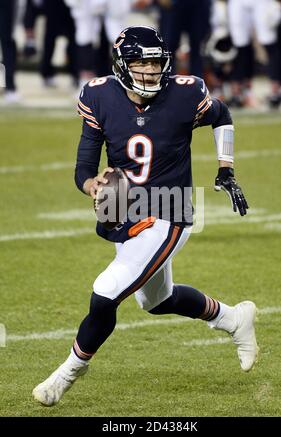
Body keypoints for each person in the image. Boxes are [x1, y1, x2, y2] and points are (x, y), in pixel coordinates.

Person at [32, 25, 258, 407]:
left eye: (155, 63)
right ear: (122, 65)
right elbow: (84, 166)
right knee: (157, 300)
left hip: (170, 211)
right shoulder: (99, 95)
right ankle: (233, 318)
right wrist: (93, 186)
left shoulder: (186, 93)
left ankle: (65, 374)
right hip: (125, 209)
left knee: (105, 294)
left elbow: (221, 114)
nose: (150, 71)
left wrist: (226, 168)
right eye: (140, 62)